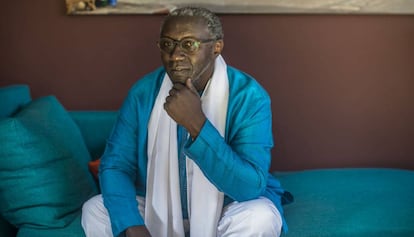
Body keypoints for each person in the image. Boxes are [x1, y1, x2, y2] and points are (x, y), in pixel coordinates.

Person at [81, 6, 292, 237]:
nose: (175, 55)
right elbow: (116, 165)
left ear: (216, 47)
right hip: (155, 207)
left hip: (227, 207)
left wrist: (197, 125)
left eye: (188, 44)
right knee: (95, 210)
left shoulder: (249, 96)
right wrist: (132, 225)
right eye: (167, 44)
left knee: (259, 217)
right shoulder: (143, 93)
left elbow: (250, 187)